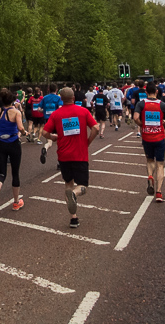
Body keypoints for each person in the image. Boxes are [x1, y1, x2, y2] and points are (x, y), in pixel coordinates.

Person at [42, 87, 99, 228]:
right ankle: (75, 194)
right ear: (73, 98)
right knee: (83, 186)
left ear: (61, 99)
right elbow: (96, 128)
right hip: (80, 154)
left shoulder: (56, 114)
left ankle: (73, 218)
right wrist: (88, 141)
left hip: (63, 155)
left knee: (68, 184)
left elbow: (44, 132)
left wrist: (52, 137)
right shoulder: (83, 111)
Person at [0, 88, 27, 212]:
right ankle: (16, 202)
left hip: (1, 144)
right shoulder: (16, 112)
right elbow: (20, 127)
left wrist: (0, 129)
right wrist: (24, 132)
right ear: (12, 100)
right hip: (14, 143)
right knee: (15, 173)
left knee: (2, 173)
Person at [134, 82, 165, 202]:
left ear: (146, 92)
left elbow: (136, 118)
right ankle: (159, 192)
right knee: (160, 164)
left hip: (147, 136)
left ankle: (150, 176)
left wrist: (142, 125)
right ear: (157, 92)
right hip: (159, 137)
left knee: (150, 160)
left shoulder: (141, 104)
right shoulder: (163, 105)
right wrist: (164, 123)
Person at [39, 84, 63, 164]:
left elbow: (39, 109)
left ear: (48, 89)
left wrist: (45, 111)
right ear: (56, 90)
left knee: (49, 141)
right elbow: (60, 108)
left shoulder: (44, 98)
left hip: (47, 120)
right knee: (59, 142)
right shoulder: (58, 98)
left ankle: (45, 149)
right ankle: (59, 162)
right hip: (56, 121)